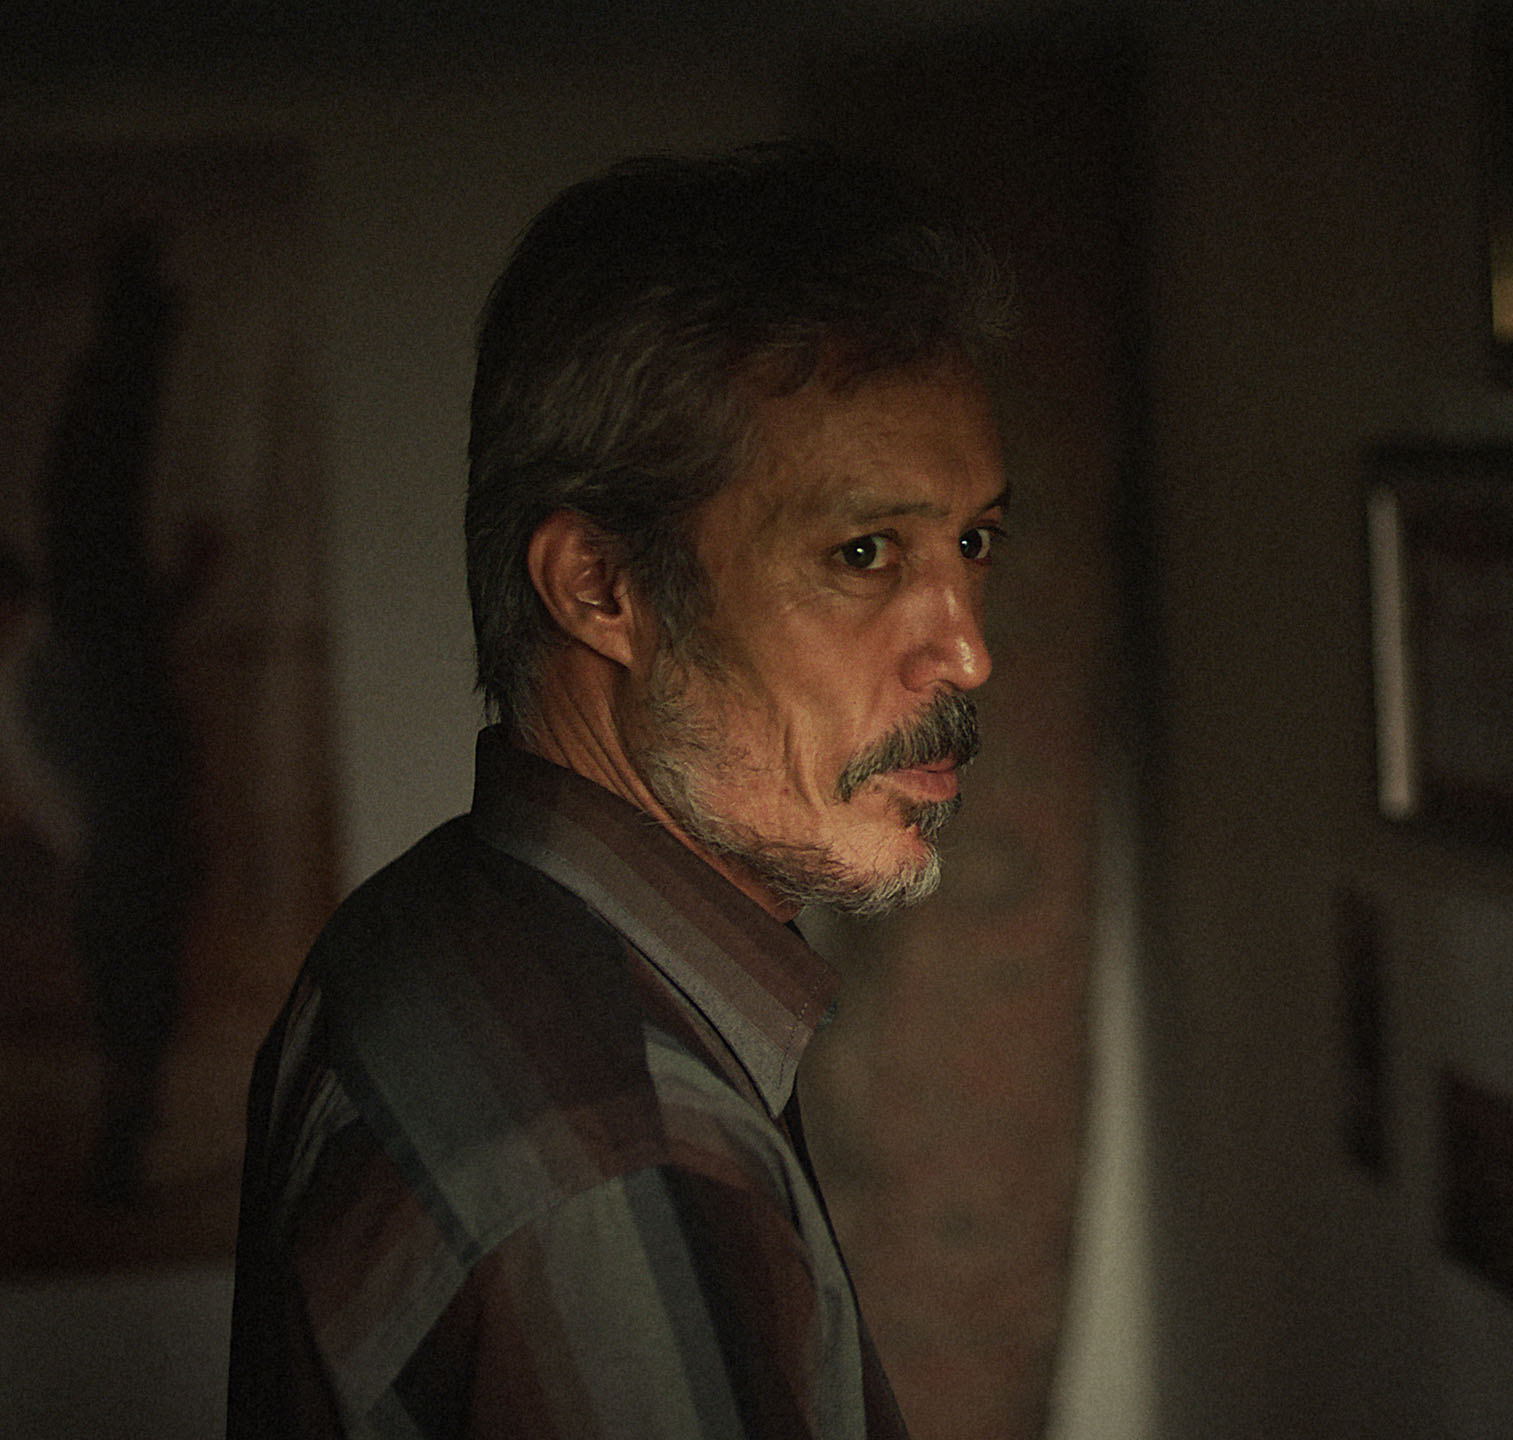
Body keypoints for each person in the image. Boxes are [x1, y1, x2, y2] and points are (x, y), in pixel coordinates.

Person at [226, 143, 1012, 1438]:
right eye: (864, 552)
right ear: (601, 587)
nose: (967, 650)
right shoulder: (624, 1158)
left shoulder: (424, 922)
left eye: (972, 540)